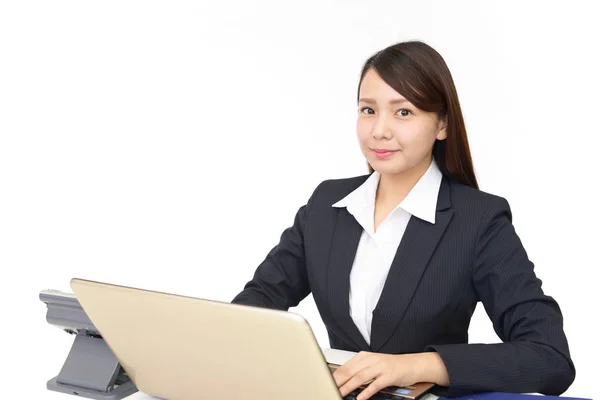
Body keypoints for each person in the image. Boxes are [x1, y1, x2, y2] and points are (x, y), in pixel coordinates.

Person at [231, 40, 575, 400]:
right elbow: (259, 301)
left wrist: (416, 365)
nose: (380, 130)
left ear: (442, 124)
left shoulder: (479, 221)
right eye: (368, 110)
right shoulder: (326, 204)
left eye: (403, 112)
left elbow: (549, 357)